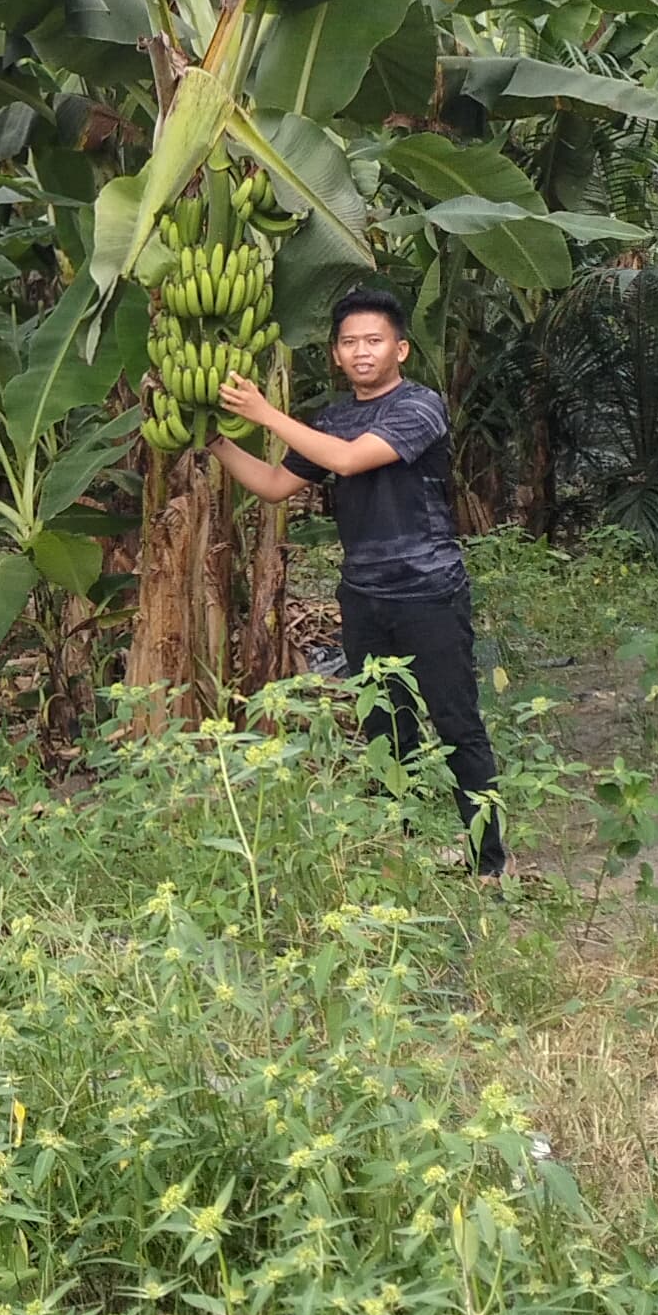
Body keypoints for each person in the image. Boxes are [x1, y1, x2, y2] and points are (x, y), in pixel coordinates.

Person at [214, 283, 505, 877]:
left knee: (456, 721)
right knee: (384, 727)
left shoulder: (419, 407)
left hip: (428, 589)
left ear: (400, 349)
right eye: (350, 343)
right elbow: (274, 485)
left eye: (374, 340)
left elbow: (347, 461)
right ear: (336, 354)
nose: (362, 352)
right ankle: (403, 851)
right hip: (364, 595)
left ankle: (489, 861)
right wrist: (214, 441)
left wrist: (265, 413)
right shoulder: (335, 418)